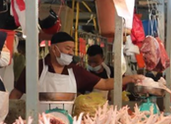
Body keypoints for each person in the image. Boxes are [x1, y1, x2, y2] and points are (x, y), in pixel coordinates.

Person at [10, 32, 143, 100]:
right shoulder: (35, 69)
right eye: (67, 48)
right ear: (53, 49)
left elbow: (105, 84)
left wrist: (129, 79)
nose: (70, 53)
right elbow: (16, 93)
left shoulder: (75, 71)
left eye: (72, 49)